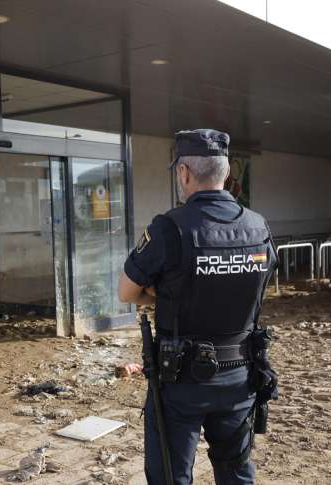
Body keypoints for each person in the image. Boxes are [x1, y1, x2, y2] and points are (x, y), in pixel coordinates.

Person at [118, 129, 277, 485]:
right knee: (236, 473)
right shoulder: (259, 227)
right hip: (240, 374)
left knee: (171, 477)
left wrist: (168, 293)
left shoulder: (169, 228)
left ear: (184, 173)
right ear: (226, 173)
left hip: (181, 380)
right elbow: (256, 289)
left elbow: (127, 292)